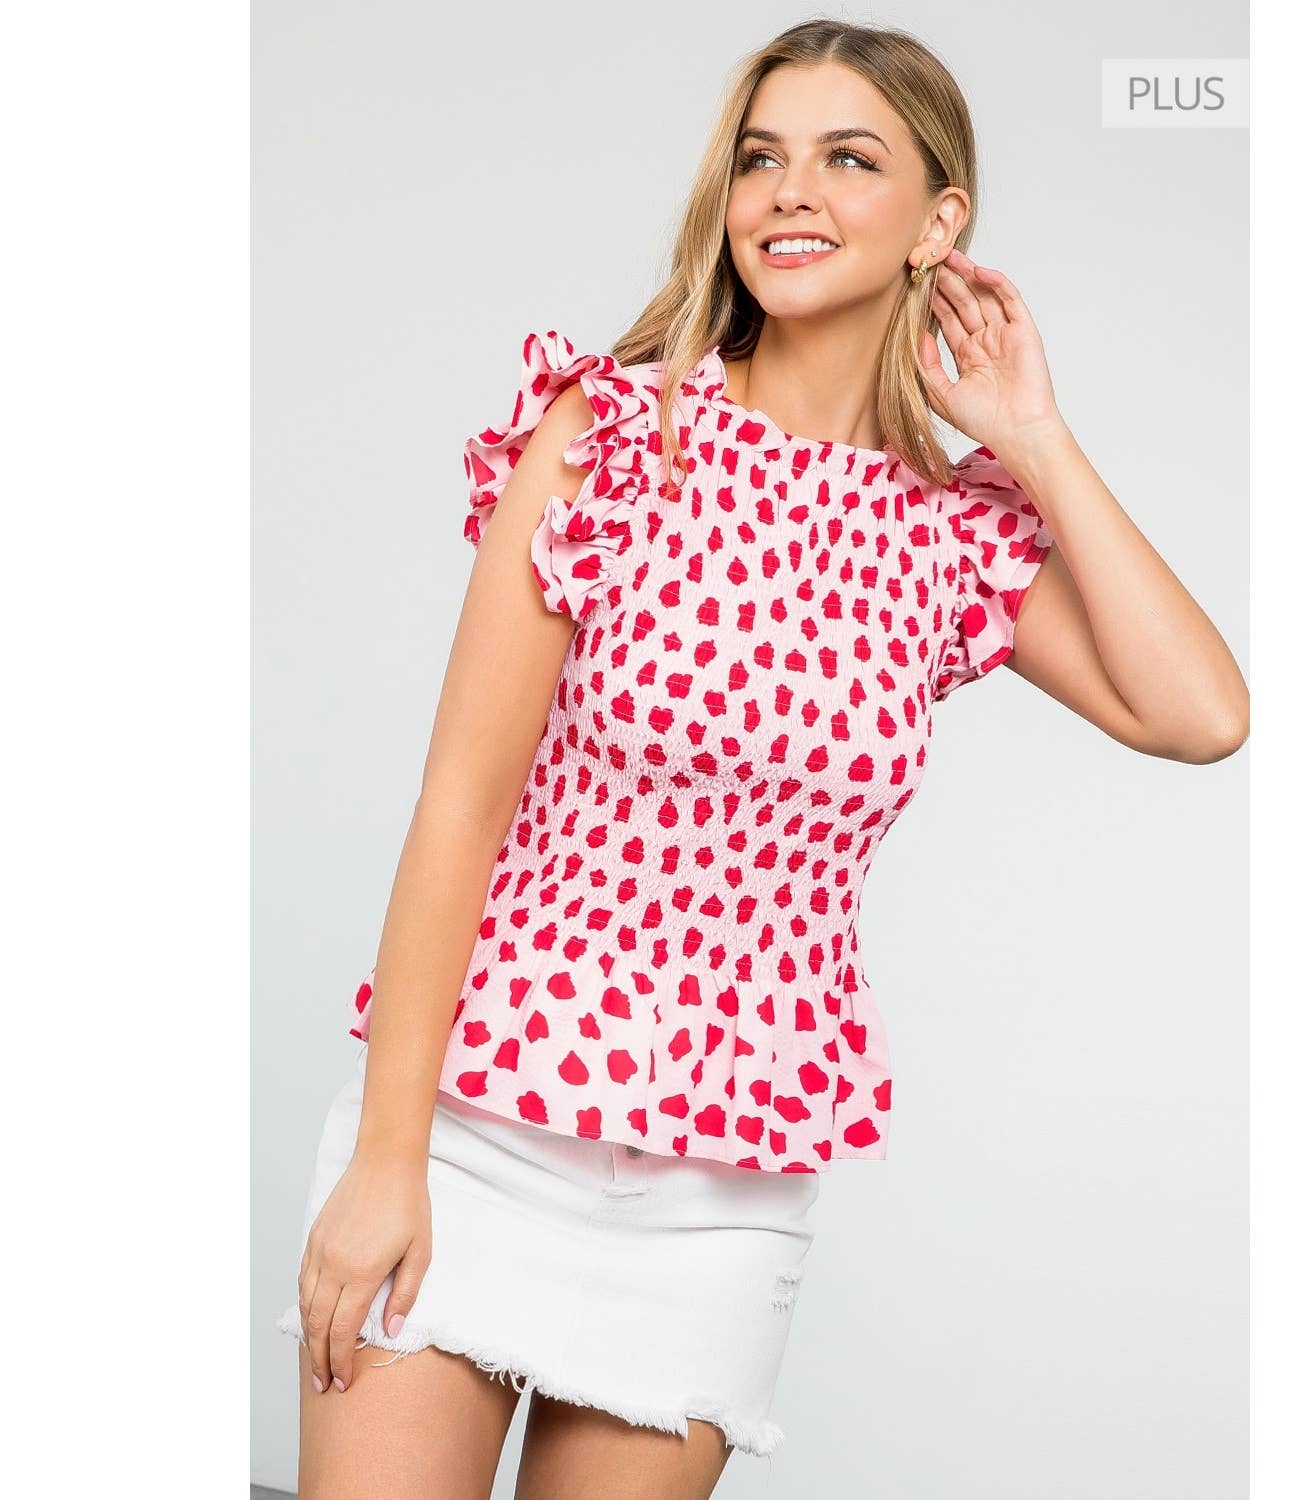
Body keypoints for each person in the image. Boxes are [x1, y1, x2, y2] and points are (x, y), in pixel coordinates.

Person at [276, 17, 1249, 1499]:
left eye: (848, 159)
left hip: (718, 1195)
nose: (790, 192)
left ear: (940, 221)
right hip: (471, 1133)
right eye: (760, 159)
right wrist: (384, 1162)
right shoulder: (612, 435)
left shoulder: (948, 530)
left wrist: (1037, 437)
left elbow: (1200, 713)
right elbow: (460, 810)